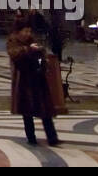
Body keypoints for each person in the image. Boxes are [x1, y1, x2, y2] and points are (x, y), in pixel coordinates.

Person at [7, 16, 60, 146]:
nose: (28, 34)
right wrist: (29, 49)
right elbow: (15, 55)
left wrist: (42, 59)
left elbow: (42, 55)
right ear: (19, 31)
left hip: (37, 78)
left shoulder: (32, 40)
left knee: (45, 110)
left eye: (29, 31)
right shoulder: (13, 41)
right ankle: (31, 137)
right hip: (23, 80)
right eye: (25, 31)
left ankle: (52, 137)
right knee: (27, 112)